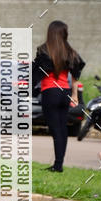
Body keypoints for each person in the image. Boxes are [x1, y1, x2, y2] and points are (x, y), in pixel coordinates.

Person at [32, 20, 84, 172]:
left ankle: (58, 165)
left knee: (55, 130)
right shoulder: (70, 52)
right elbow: (75, 77)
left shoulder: (44, 50)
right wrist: (75, 95)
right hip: (65, 93)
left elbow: (37, 73)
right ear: (64, 33)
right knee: (62, 129)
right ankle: (59, 164)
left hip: (51, 92)